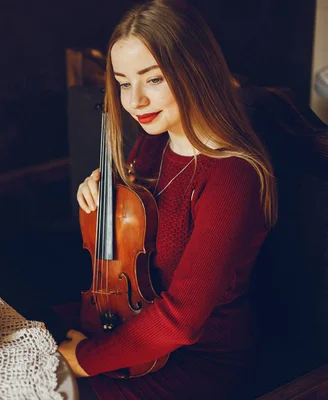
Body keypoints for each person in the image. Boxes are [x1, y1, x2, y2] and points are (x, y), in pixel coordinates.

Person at [56, 1, 278, 399]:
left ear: (197, 70)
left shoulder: (232, 176)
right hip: (131, 324)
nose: (135, 100)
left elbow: (182, 320)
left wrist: (84, 359)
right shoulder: (152, 143)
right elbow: (133, 232)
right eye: (124, 83)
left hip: (198, 360)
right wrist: (104, 188)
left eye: (153, 79)